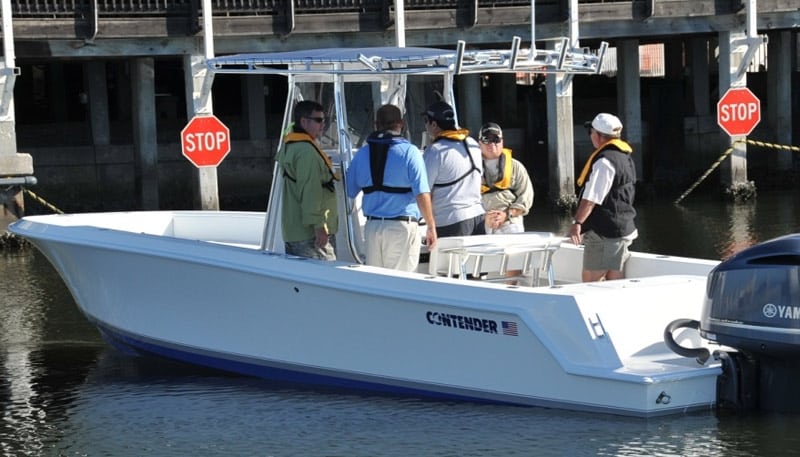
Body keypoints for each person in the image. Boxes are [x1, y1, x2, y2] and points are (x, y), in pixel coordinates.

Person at [345, 104, 437, 271]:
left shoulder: (362, 154)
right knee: (403, 285)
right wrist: (431, 226)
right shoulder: (410, 152)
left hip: (372, 229)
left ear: (375, 124)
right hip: (401, 228)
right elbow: (422, 193)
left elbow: (351, 191)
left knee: (376, 285)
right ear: (401, 124)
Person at [568, 113, 638, 282]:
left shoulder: (604, 162)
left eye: (591, 132)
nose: (591, 136)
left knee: (590, 281)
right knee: (615, 279)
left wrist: (577, 223)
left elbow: (591, 198)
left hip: (604, 232)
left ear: (598, 136)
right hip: (622, 229)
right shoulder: (624, 157)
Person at [275, 100, 339, 260]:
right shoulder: (306, 152)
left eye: (324, 120)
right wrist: (319, 227)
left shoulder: (290, 146)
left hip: (293, 231)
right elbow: (310, 190)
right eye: (318, 120)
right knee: (328, 279)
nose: (322, 124)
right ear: (304, 121)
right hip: (310, 235)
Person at [421, 100, 485, 238]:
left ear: (434, 124)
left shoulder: (435, 151)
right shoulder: (472, 143)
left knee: (447, 261)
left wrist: (428, 223)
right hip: (478, 216)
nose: (425, 126)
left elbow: (423, 189)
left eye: (426, 121)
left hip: (451, 221)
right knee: (474, 260)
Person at [478, 122, 534, 234]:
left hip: (510, 221)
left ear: (502, 142)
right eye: (486, 139)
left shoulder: (516, 166)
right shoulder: (471, 168)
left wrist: (507, 214)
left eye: (496, 139)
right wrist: (483, 217)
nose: (492, 143)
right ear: (479, 143)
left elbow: (526, 197)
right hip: (482, 221)